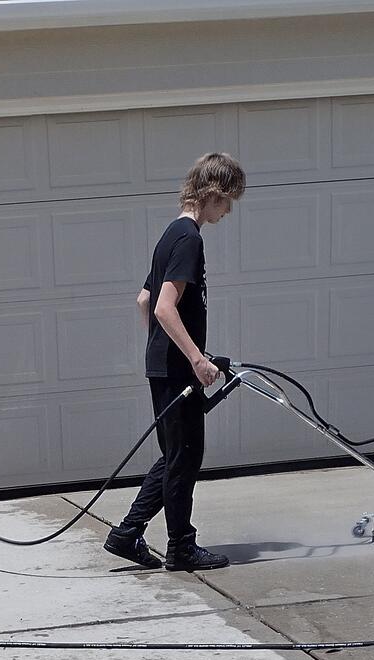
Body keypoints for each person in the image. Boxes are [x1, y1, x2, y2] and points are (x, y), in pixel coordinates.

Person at [105, 151, 246, 572]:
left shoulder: (170, 233)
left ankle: (127, 533)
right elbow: (165, 307)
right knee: (184, 456)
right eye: (229, 199)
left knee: (174, 456)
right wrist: (196, 360)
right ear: (213, 193)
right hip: (176, 369)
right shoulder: (189, 238)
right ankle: (181, 547)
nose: (229, 209)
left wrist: (162, 352)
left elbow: (144, 299)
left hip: (164, 367)